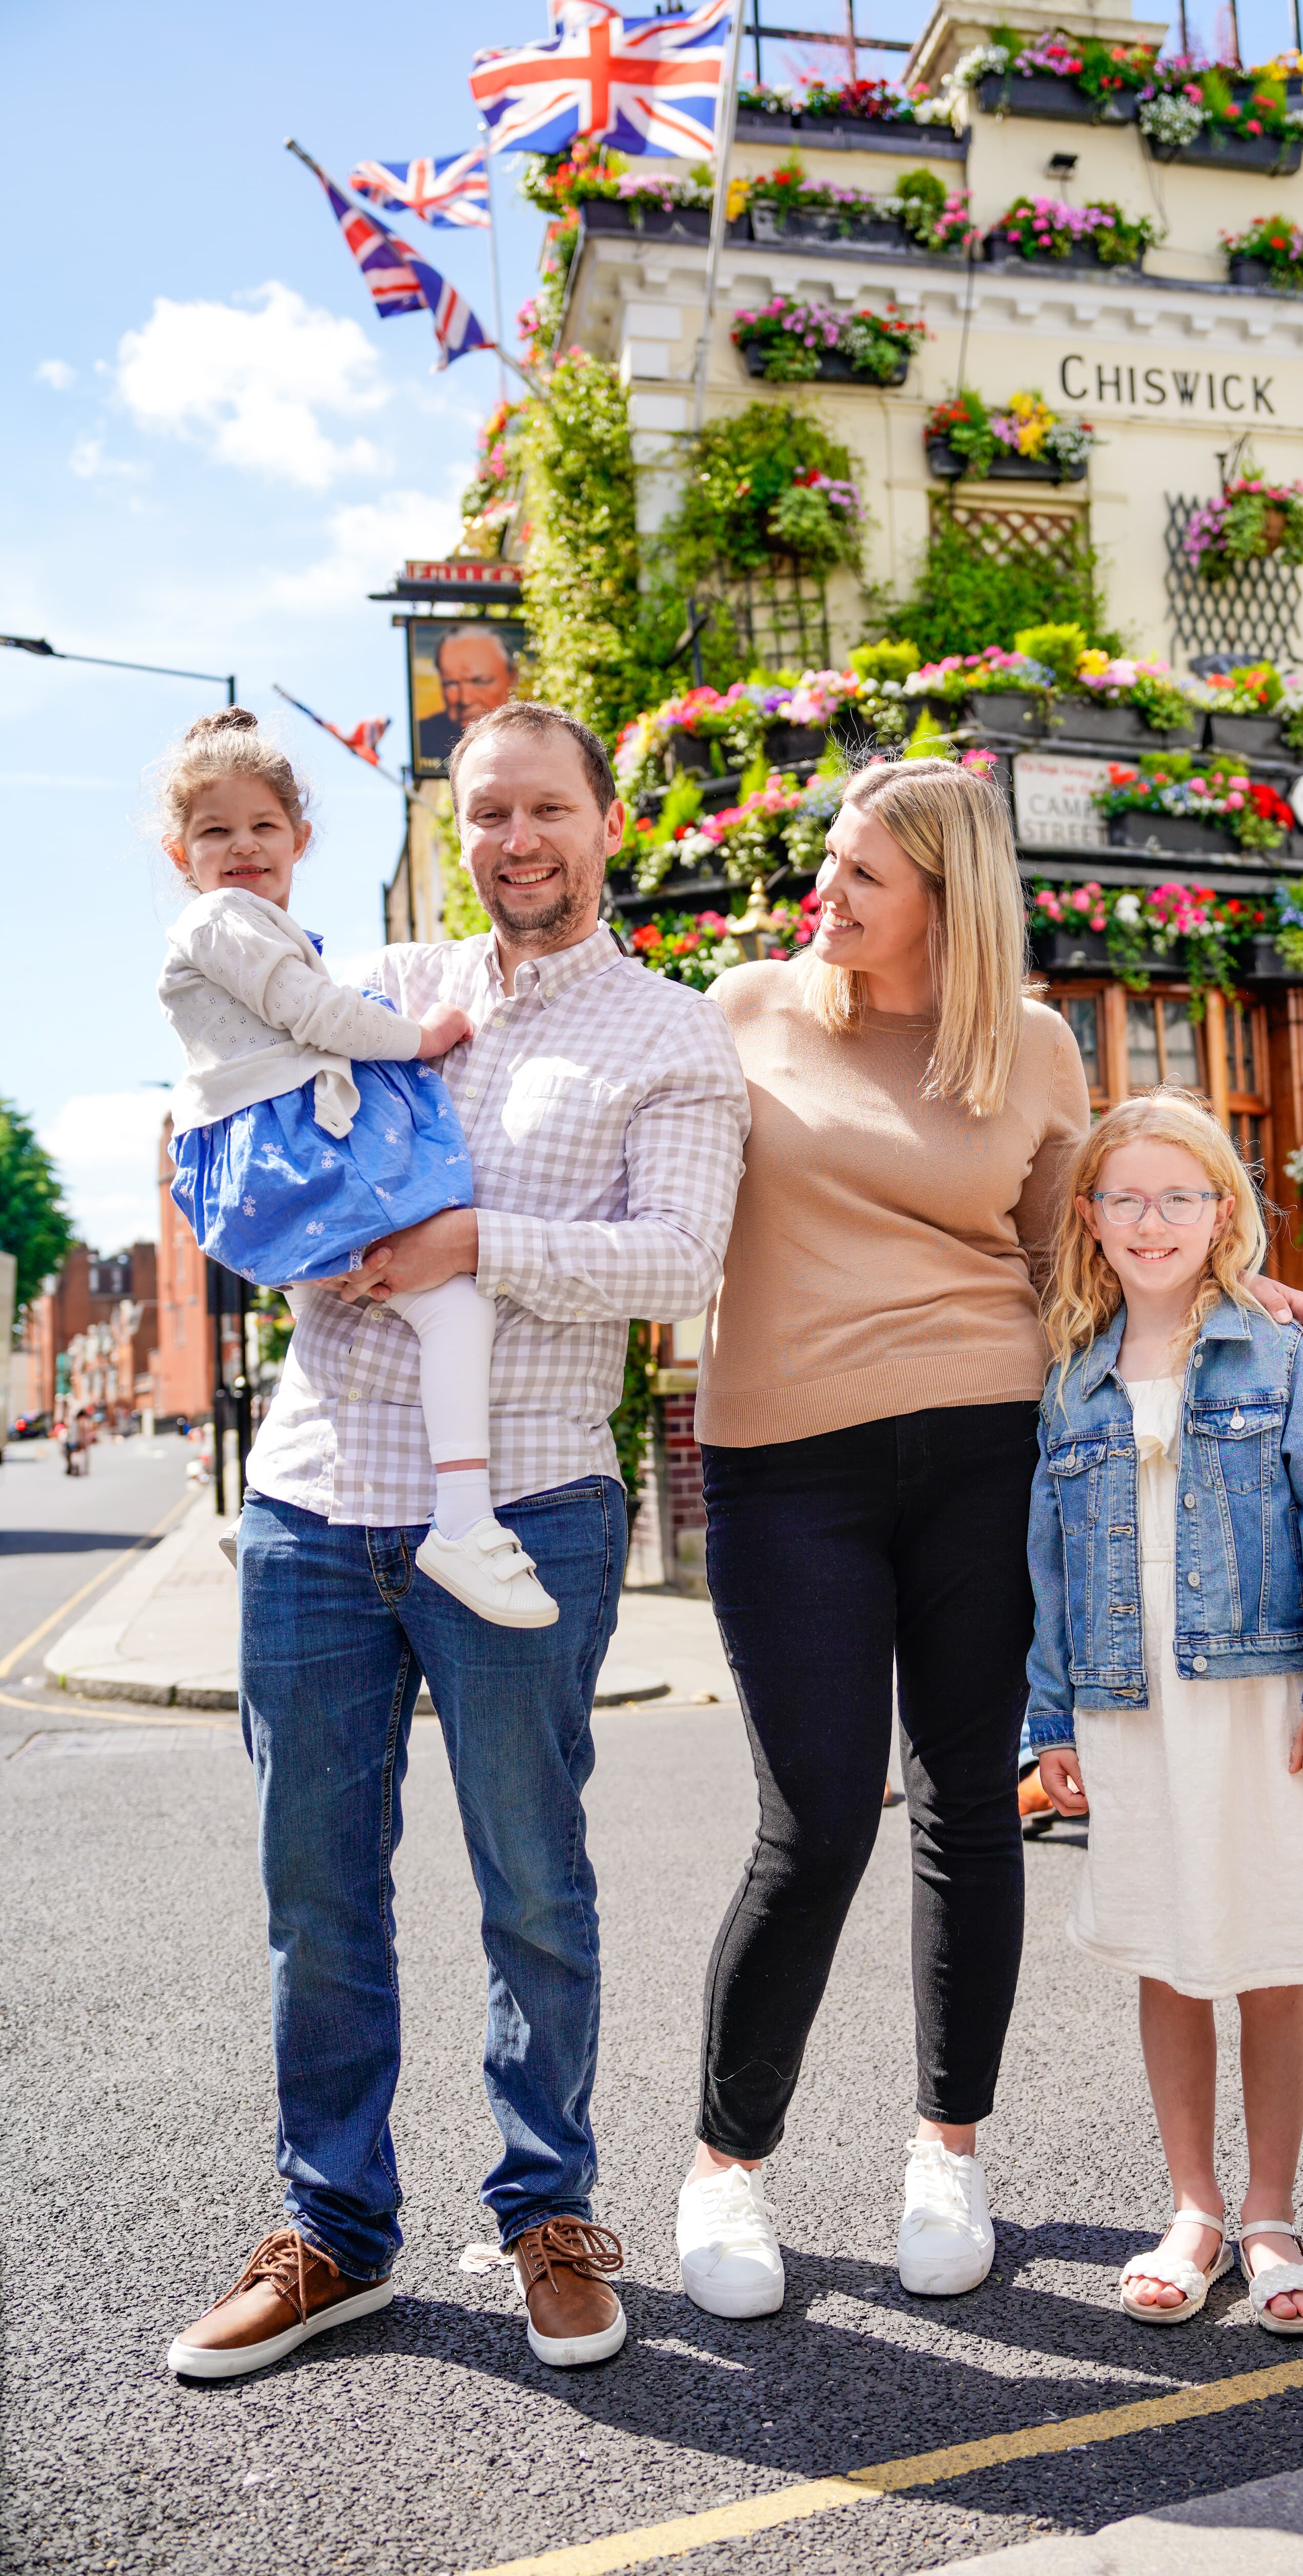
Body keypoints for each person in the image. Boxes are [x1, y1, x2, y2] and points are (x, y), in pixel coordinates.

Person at [673, 755, 1303, 2321]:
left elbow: (1087, 1266)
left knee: (970, 1801)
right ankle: (727, 2163)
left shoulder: (1032, 1050)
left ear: (948, 905)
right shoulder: (745, 1008)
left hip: (990, 1453)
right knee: (817, 1814)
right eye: (826, 862)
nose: (819, 892)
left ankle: (946, 2150)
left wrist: (1250, 1304)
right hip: (782, 1467)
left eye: (860, 878)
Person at [166, 699, 749, 2384]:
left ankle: (546, 2211)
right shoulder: (379, 980)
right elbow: (233, 1111)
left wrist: (470, 1242)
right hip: (311, 1497)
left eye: (543, 809)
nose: (514, 841)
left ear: (602, 821)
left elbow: (678, 1259)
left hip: (534, 1500)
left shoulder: (670, 1031)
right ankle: (332, 2231)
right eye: (485, 813)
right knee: (315, 1894)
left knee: (530, 1882)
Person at [1028, 1091, 1303, 2338]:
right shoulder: (1073, 1376)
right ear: (1088, 1217)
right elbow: (1050, 1570)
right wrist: (1051, 1721)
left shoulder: (1274, 1355)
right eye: (1123, 1196)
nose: (1150, 1218)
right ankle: (1191, 2208)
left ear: (1221, 1212)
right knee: (1166, 1950)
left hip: (1261, 1699)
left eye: (1178, 1195)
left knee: (1269, 1948)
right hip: (1128, 1709)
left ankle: (1272, 2216)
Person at [154, 707, 555, 1626]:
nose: (242, 845)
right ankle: (461, 1519)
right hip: (301, 1152)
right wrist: (423, 1035)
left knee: (323, 1323)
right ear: (183, 855)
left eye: (262, 825)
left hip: (279, 1157)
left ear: (299, 837)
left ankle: (270, 1499)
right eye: (215, 831)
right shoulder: (224, 919)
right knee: (452, 1303)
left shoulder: (246, 922)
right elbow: (315, 1016)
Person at [415, 626, 521, 769]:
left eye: (480, 681)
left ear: (513, 677)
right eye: (450, 683)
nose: (464, 699)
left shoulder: (538, 734)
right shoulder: (424, 737)